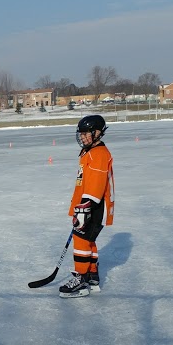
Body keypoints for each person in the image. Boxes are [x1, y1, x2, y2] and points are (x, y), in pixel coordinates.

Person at [59, 115, 114, 298]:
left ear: (97, 133)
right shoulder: (90, 152)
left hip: (91, 205)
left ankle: (81, 280)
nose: (82, 137)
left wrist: (84, 208)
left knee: (81, 242)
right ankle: (92, 276)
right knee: (88, 241)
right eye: (80, 134)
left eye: (86, 134)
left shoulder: (98, 154)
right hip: (87, 204)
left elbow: (96, 186)